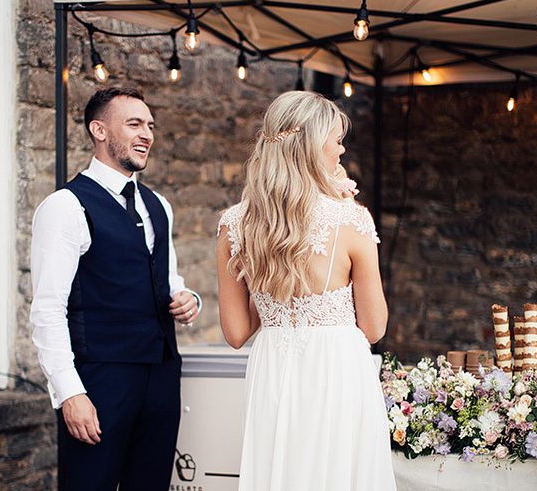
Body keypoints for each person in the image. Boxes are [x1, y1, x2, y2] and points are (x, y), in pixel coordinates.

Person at [217, 91, 396, 490]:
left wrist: (272, 278)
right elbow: (374, 326)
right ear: (313, 146)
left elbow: (236, 332)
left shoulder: (234, 225)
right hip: (336, 370)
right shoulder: (352, 220)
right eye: (336, 139)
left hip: (274, 369)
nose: (342, 149)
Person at [30, 86, 202, 491]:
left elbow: (168, 279)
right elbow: (47, 310)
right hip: (101, 379)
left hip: (160, 375)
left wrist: (188, 299)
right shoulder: (65, 207)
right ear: (99, 130)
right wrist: (69, 393)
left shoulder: (158, 203)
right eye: (134, 124)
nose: (147, 134)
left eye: (150, 125)